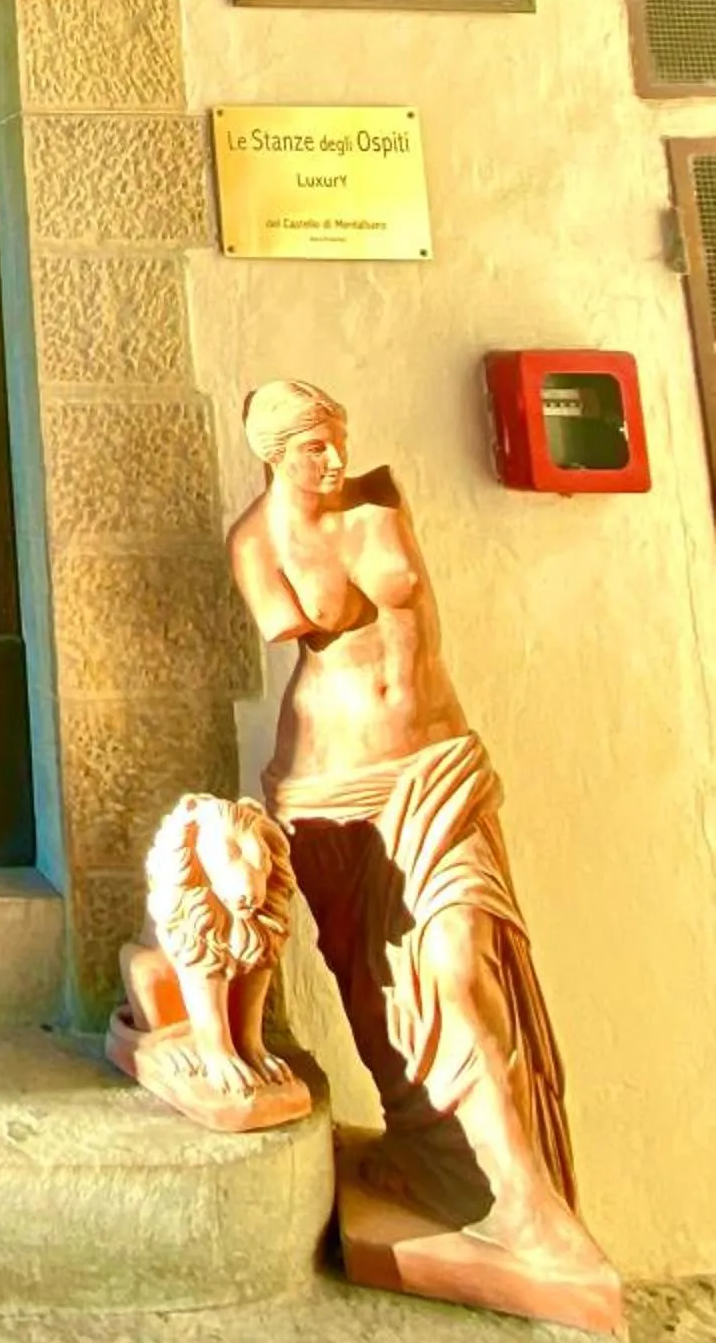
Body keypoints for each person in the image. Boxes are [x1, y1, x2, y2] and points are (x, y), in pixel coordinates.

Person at [226, 378, 607, 1283]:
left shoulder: (378, 499)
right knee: (379, 986)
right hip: (332, 784)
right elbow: (292, 626)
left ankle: (525, 1201)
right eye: (314, 446)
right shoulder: (257, 542)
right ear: (276, 453)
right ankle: (436, 1157)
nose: (334, 458)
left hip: (433, 766)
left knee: (461, 965)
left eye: (338, 438)